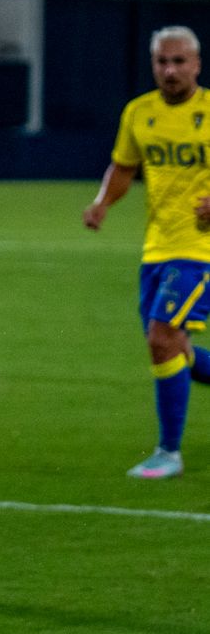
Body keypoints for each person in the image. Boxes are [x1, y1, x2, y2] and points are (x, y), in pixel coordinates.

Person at [84, 25, 210, 478]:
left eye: (179, 62)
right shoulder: (140, 113)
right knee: (174, 351)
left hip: (202, 250)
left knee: (162, 339)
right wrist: (102, 204)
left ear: (197, 64)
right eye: (162, 62)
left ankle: (168, 453)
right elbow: (123, 167)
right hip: (158, 248)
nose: (170, 70)